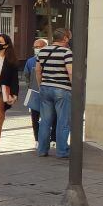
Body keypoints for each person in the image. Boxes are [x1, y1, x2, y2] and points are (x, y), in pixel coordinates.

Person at [36, 28, 73, 159]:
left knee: (45, 121)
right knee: (63, 121)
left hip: (45, 88)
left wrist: (41, 85)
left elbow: (38, 70)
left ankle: (42, 150)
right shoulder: (67, 52)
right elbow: (70, 72)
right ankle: (62, 151)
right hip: (62, 89)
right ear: (65, 38)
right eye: (69, 37)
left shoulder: (42, 51)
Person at [23, 38, 55, 145]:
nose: (37, 49)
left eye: (39, 47)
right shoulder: (30, 61)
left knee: (52, 116)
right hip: (35, 93)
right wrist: (31, 88)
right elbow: (26, 76)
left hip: (50, 92)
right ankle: (37, 139)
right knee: (35, 117)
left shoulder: (52, 59)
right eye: (35, 47)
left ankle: (53, 139)